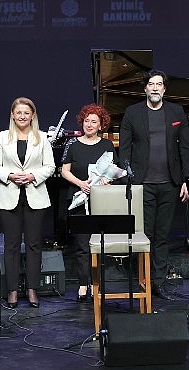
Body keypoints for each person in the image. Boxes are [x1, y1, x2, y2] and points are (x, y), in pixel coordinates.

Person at [119, 69, 189, 300]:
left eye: (158, 84)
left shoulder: (176, 111)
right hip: (143, 184)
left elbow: (185, 148)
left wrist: (187, 181)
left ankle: (158, 283)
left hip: (170, 183)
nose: (154, 88)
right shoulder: (133, 113)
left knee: (162, 235)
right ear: (145, 88)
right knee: (145, 234)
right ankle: (143, 280)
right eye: (150, 84)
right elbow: (124, 148)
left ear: (164, 89)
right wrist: (128, 178)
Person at [0, 97, 55, 308]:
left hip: (36, 196)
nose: (22, 116)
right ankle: (13, 290)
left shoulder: (42, 138)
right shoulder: (2, 137)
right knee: (12, 245)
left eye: (26, 113)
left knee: (34, 244)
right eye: (19, 113)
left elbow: (50, 166)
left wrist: (33, 176)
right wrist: (10, 175)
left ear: (32, 115)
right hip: (9, 196)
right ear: (12, 115)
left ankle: (32, 289)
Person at [61, 104, 116, 302]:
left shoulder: (107, 145)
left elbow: (112, 170)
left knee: (99, 244)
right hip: (79, 198)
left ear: (101, 125)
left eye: (94, 121)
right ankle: (83, 284)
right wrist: (80, 184)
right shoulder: (74, 145)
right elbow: (64, 170)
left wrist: (107, 180)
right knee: (82, 245)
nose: (89, 124)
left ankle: (97, 283)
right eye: (86, 121)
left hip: (101, 199)